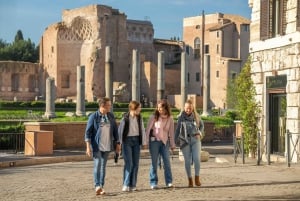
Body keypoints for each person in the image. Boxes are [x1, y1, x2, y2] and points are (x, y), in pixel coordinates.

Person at [84, 97, 121, 196]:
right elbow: (88, 133)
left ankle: (101, 186)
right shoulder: (94, 117)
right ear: (102, 106)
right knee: (98, 164)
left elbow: (115, 131)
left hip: (107, 145)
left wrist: (118, 143)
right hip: (97, 146)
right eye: (108, 105)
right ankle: (97, 186)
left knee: (103, 167)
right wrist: (88, 147)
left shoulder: (111, 116)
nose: (110, 107)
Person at [145, 99, 175, 189]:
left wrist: (173, 145)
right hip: (154, 141)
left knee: (167, 162)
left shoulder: (170, 118)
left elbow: (171, 132)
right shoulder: (154, 117)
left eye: (161, 108)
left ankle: (169, 182)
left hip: (164, 142)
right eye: (158, 108)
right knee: (154, 162)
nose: (159, 110)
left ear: (166, 108)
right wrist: (145, 142)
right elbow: (147, 130)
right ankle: (153, 182)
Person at [118, 100, 147, 192]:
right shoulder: (125, 118)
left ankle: (133, 185)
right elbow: (120, 131)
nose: (140, 109)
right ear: (133, 108)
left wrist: (144, 142)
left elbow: (142, 129)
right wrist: (119, 143)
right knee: (129, 163)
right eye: (139, 107)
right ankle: (126, 184)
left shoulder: (139, 118)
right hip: (127, 141)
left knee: (135, 164)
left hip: (136, 141)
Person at [175, 99, 204, 187]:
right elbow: (177, 130)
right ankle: (190, 179)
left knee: (196, 159)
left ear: (192, 108)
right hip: (184, 140)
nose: (188, 110)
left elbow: (202, 126)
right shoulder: (180, 117)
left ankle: (197, 177)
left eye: (190, 108)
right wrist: (174, 142)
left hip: (195, 139)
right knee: (187, 161)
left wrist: (200, 133)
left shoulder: (196, 116)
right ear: (184, 108)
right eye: (187, 108)